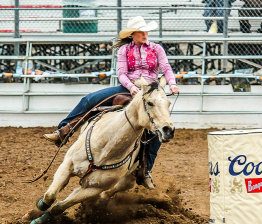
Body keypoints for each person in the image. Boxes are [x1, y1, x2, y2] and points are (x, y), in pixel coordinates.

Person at [43, 16, 180, 189]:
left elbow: (166, 68)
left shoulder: (156, 48)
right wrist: (131, 88)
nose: (145, 34)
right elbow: (122, 73)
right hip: (128, 88)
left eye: (146, 31)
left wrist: (172, 84)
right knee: (89, 100)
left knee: (156, 129)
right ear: (132, 35)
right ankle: (64, 130)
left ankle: (145, 170)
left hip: (151, 92)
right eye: (141, 31)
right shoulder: (124, 50)